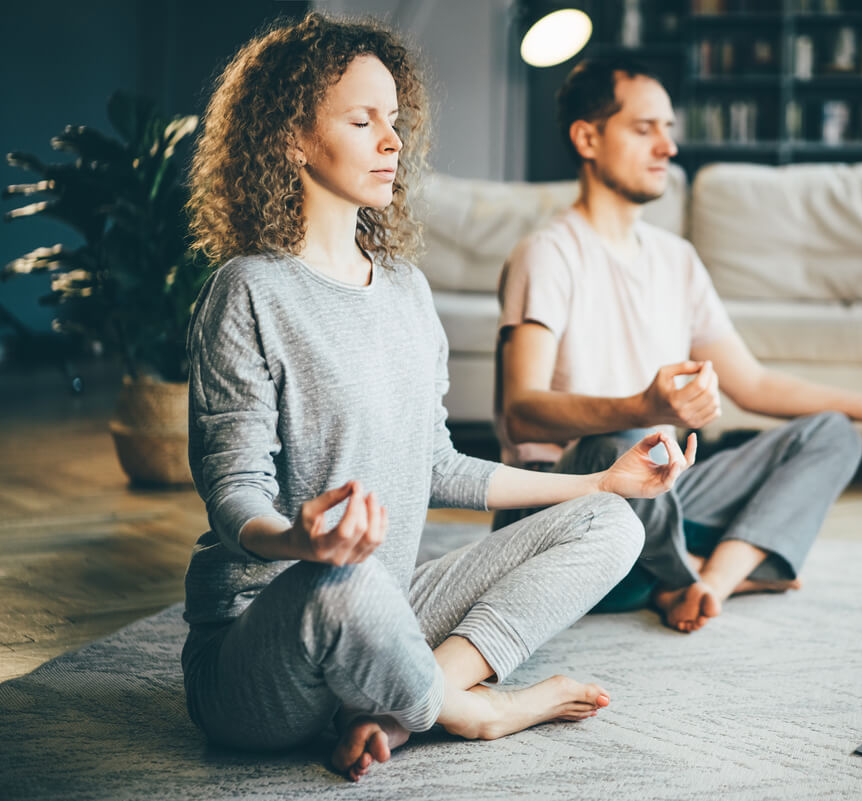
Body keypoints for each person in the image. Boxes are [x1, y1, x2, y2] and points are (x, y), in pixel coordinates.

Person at [182, 17, 696, 783]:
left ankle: (402, 701)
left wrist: (600, 480)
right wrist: (303, 542)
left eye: (395, 120)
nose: (391, 141)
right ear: (291, 138)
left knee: (610, 523)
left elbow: (439, 465)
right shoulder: (249, 291)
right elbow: (233, 494)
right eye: (362, 122)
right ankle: (474, 707)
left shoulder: (405, 290)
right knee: (342, 586)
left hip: (389, 604)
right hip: (269, 641)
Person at [494, 56, 862, 635]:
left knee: (833, 432)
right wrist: (643, 408)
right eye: (645, 129)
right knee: (628, 439)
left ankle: (704, 584)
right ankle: (692, 572)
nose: (667, 147)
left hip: (658, 494)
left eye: (670, 130)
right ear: (587, 138)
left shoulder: (676, 260)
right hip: (563, 503)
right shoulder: (548, 253)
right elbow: (522, 411)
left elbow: (755, 384)